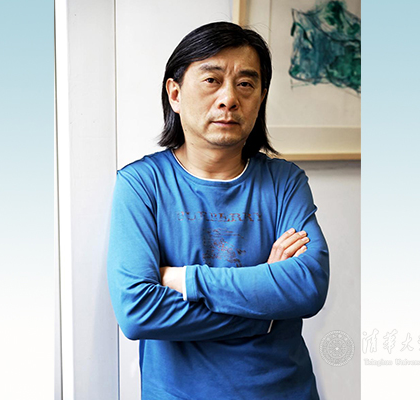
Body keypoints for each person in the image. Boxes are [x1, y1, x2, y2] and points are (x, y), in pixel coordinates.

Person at [107, 21, 329, 399]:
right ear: (175, 93)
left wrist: (184, 280)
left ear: (261, 97)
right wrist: (264, 311)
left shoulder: (285, 182)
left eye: (245, 84)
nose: (229, 98)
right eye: (212, 80)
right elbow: (137, 311)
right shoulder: (141, 184)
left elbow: (307, 287)